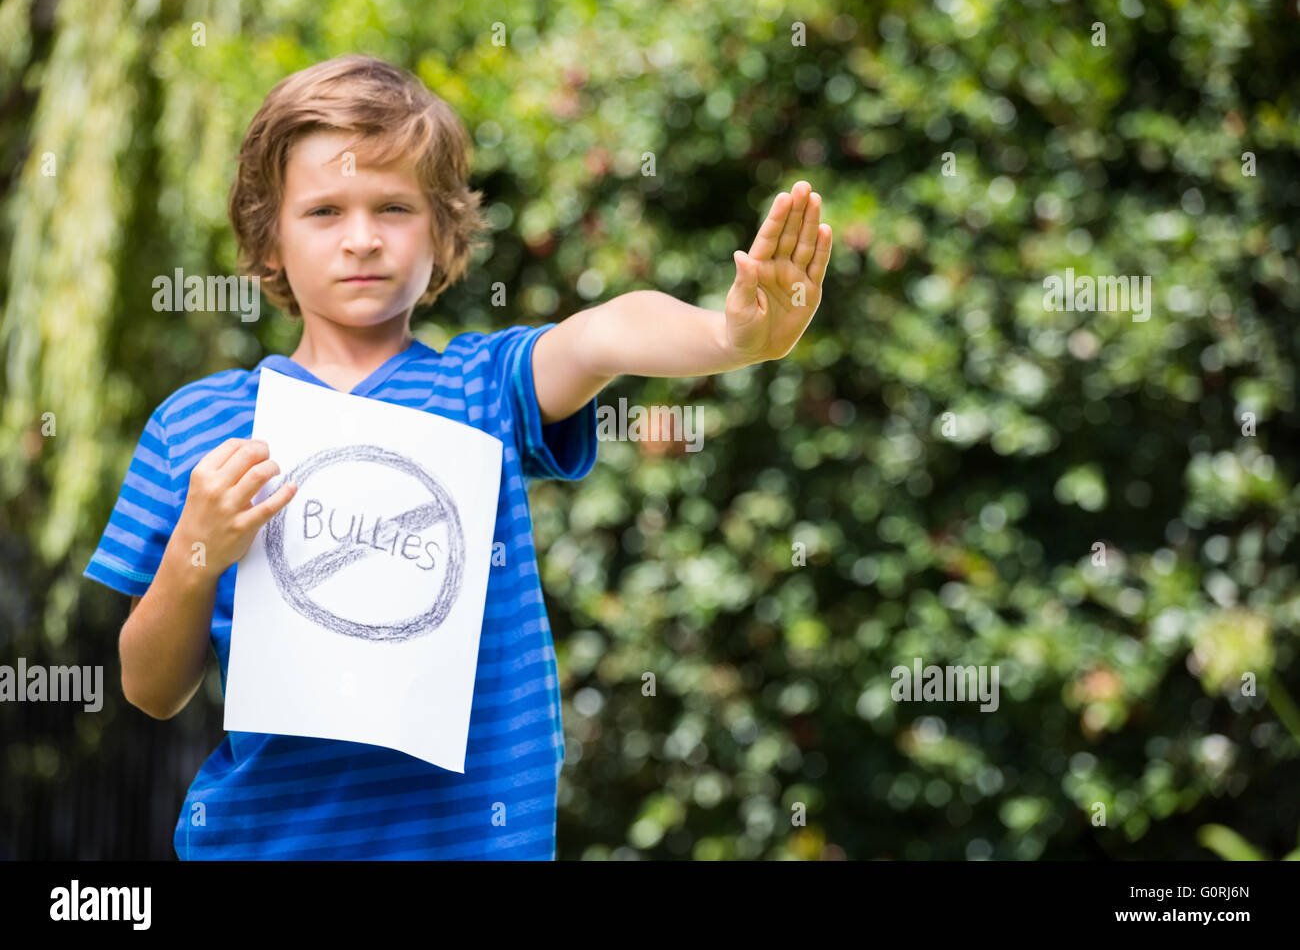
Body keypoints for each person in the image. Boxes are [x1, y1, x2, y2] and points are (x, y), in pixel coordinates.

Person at [82, 54, 831, 859]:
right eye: (325, 211)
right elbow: (150, 690)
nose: (362, 239)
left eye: (395, 207)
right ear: (268, 240)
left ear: (442, 232)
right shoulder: (195, 424)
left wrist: (732, 338)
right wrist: (198, 552)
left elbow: (606, 331)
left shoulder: (486, 390)